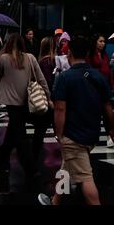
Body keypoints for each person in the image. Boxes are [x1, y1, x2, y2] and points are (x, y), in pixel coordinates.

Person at [38, 36, 114, 205]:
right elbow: (108, 107)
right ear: (88, 53)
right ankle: (55, 200)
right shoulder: (98, 76)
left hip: (73, 135)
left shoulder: (65, 77)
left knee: (85, 177)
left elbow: (60, 109)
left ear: (70, 52)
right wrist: (111, 129)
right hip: (91, 132)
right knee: (67, 166)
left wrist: (59, 134)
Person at [0, 33, 51, 181]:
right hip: (26, 100)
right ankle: (4, 157)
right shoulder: (30, 58)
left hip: (11, 103)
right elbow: (41, 79)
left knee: (19, 135)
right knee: (16, 132)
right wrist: (48, 97)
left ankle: (29, 167)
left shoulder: (3, 59)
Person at [87, 34, 114, 148]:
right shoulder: (90, 55)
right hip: (95, 88)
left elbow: (109, 70)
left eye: (104, 41)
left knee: (108, 113)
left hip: (106, 87)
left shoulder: (105, 55)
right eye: (100, 41)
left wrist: (111, 85)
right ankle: (93, 137)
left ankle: (110, 136)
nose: (103, 43)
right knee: (95, 114)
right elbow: (88, 71)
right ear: (95, 42)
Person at [33, 37, 56, 161]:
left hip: (45, 99)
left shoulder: (42, 61)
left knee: (40, 130)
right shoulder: (52, 61)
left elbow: (45, 81)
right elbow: (49, 81)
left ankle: (34, 157)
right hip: (53, 99)